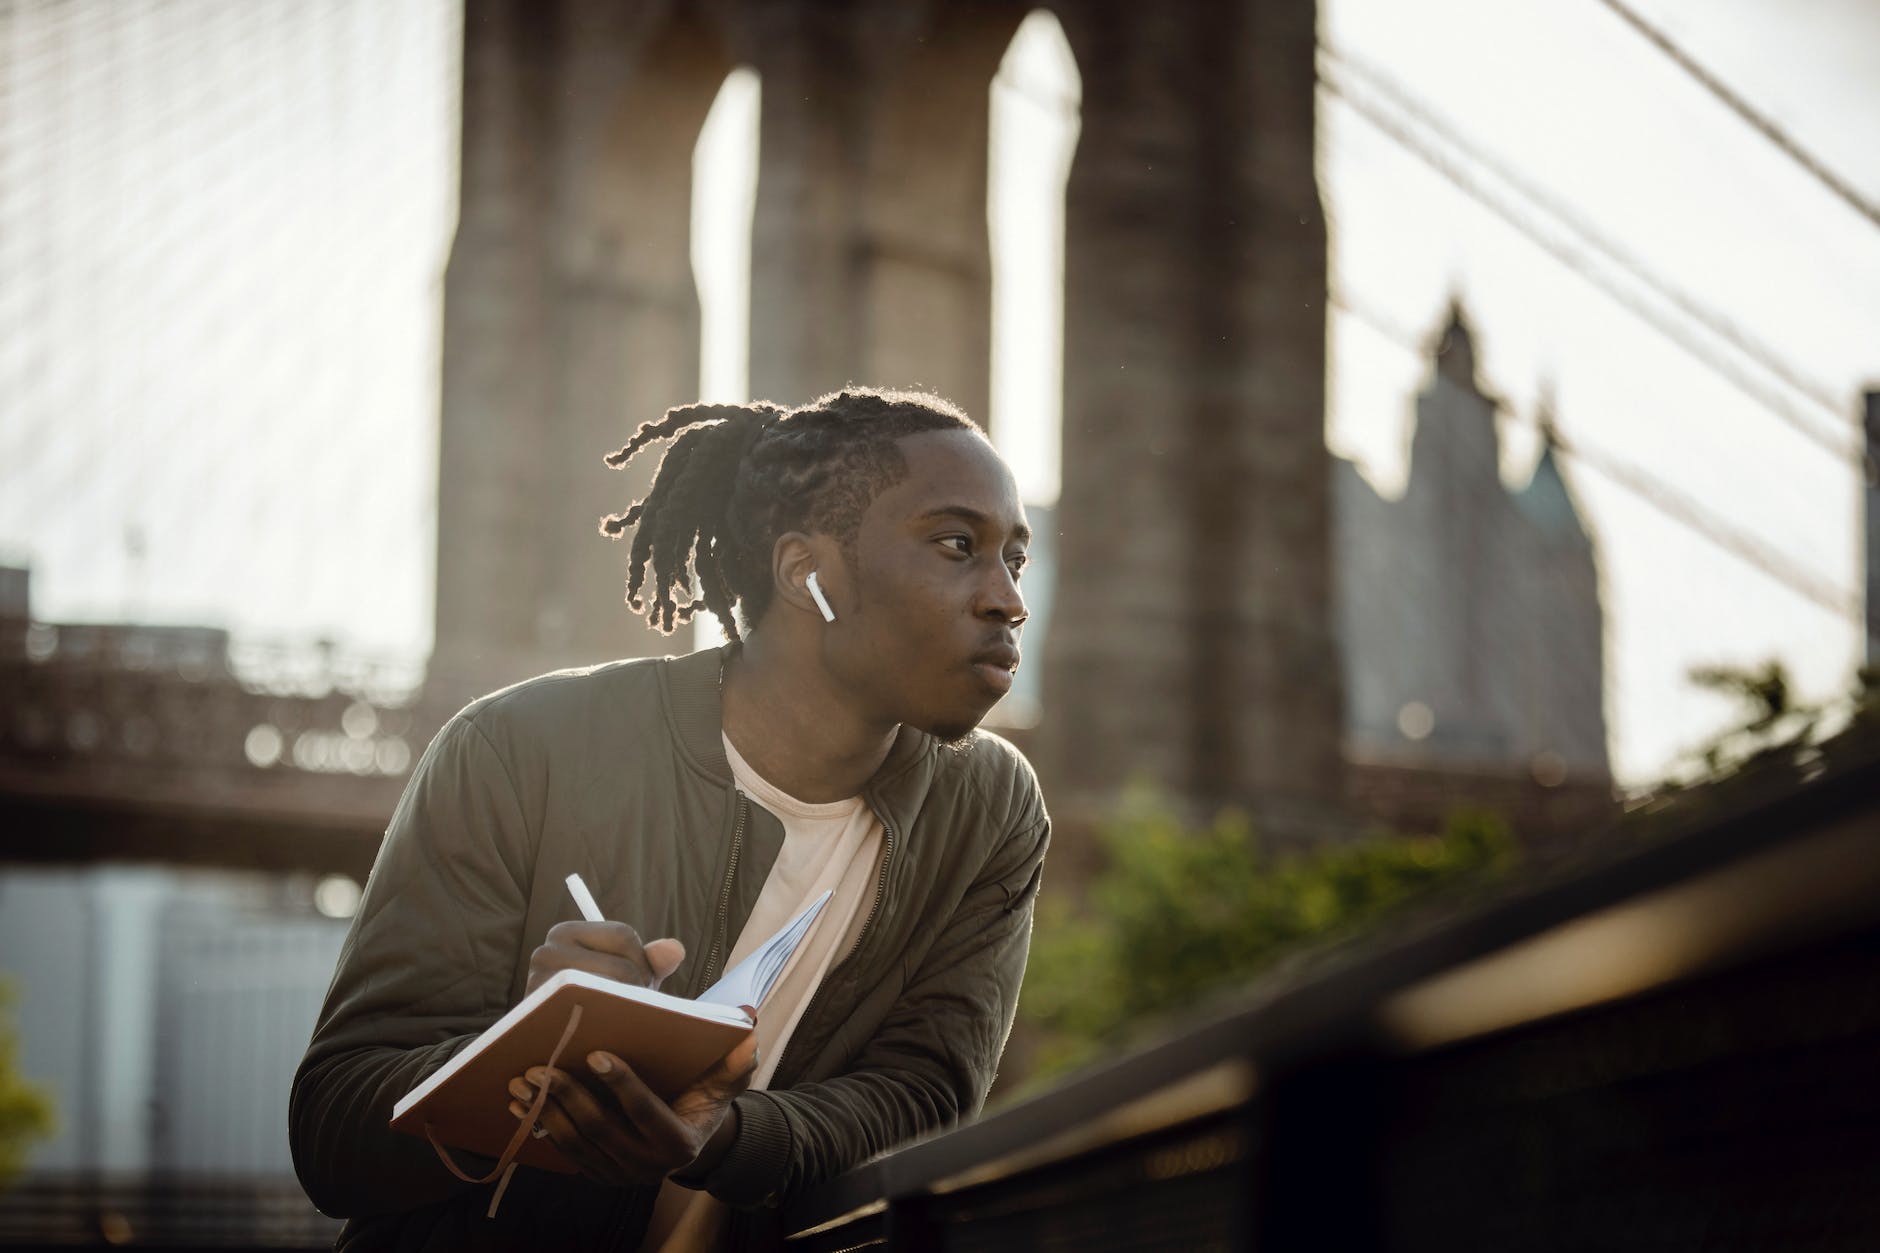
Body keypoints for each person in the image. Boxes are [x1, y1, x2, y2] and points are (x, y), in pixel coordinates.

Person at [290, 387, 1049, 1252]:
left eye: (1015, 560)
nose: (1007, 599)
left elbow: (923, 1100)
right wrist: (523, 1056)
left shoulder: (992, 810)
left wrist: (719, 1137)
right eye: (958, 546)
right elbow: (333, 1132)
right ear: (810, 575)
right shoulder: (516, 747)